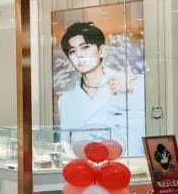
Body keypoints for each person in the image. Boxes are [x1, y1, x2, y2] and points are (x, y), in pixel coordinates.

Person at [57, 21, 145, 157]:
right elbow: (66, 144)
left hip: (129, 165)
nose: (79, 55)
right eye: (72, 51)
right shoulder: (66, 101)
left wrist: (134, 88)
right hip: (86, 166)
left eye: (85, 47)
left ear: (101, 50)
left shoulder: (129, 83)